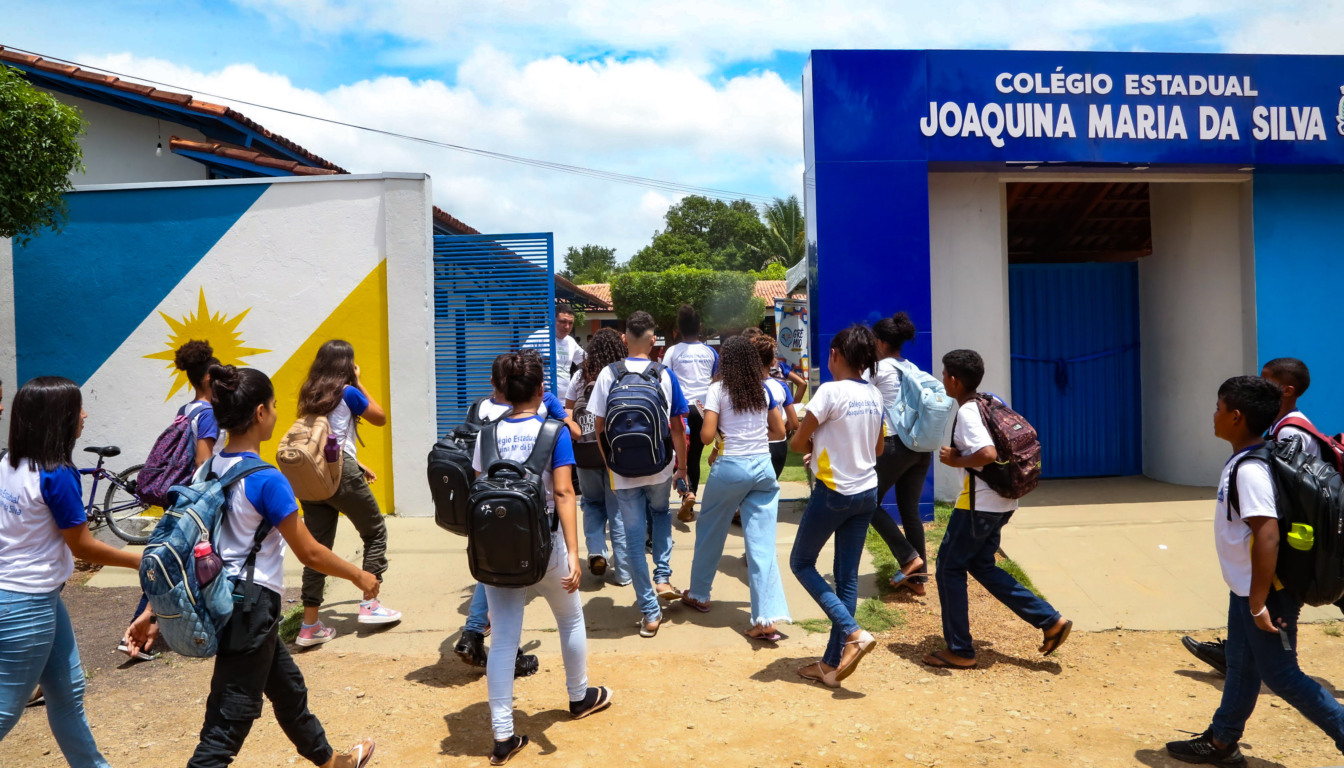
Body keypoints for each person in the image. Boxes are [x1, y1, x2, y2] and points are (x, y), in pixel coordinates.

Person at [145, 364, 379, 768]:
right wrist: (359, 575)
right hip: (249, 605)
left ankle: (330, 761)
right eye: (272, 405)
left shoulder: (209, 468)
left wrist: (151, 609)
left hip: (220, 596)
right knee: (226, 723)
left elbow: (183, 543)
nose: (274, 413)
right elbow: (310, 552)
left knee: (286, 686)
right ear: (259, 413)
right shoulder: (268, 480)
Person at [1165, 376, 1344, 765]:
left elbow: (1267, 535)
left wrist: (1260, 600)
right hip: (1247, 589)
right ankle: (1222, 741)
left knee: (1281, 675)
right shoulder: (1248, 458)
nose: (1213, 414)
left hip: (1267, 592)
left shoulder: (1250, 470)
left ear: (1236, 416)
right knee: (1243, 664)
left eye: (1218, 407)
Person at [471, 351, 612, 765]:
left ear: (503, 391)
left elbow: (481, 491)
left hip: (499, 553)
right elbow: (565, 493)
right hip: (544, 546)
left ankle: (502, 736)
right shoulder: (554, 431)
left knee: (503, 641)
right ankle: (579, 695)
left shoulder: (487, 434)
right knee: (569, 617)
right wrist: (573, 551)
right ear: (539, 390)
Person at [0, 377, 143, 767]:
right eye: (77, 408)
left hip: (30, 597)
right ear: (57, 418)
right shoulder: (57, 474)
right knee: (5, 711)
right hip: (25, 606)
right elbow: (81, 546)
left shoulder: (10, 463)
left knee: (68, 690)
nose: (84, 414)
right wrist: (139, 560)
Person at [923, 349, 1071, 670]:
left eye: (945, 374)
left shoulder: (966, 412)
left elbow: (988, 454)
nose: (943, 379)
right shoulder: (993, 400)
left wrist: (956, 460)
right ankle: (1050, 620)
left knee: (949, 567)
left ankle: (960, 650)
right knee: (981, 566)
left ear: (954, 380)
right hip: (1005, 500)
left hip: (979, 504)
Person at [1181, 357, 1329, 676]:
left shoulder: (1287, 434)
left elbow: (1271, 520)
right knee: (1247, 659)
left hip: (1293, 547)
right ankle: (1226, 718)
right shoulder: (1273, 432)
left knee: (1283, 675)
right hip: (1268, 564)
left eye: (1268, 380)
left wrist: (1259, 597)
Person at [455, 350, 568, 673]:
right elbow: (562, 488)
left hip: (488, 513)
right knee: (554, 610)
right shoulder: (537, 413)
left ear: (495, 381)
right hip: (531, 518)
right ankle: (487, 639)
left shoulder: (478, 409)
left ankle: (476, 633)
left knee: (496, 578)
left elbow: (477, 474)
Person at [788, 325, 883, 687]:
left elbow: (797, 443)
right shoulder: (874, 394)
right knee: (846, 578)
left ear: (834, 355)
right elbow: (875, 450)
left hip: (834, 493)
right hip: (867, 492)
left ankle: (853, 632)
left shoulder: (828, 391)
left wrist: (813, 444)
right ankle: (830, 665)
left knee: (801, 562)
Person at [589, 311, 690, 638]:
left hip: (622, 470)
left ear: (624, 339)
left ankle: (649, 612)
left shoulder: (608, 374)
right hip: (659, 465)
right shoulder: (664, 374)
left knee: (632, 536)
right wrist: (682, 467)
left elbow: (599, 428)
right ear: (652, 341)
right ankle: (663, 576)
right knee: (660, 513)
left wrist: (611, 465)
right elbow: (677, 427)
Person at [682, 336, 790, 640]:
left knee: (709, 530)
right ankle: (766, 618)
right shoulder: (762, 389)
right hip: (763, 467)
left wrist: (713, 423)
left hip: (730, 467)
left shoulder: (717, 389)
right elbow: (779, 430)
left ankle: (700, 593)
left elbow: (705, 437)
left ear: (725, 361)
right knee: (762, 544)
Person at [294, 340, 401, 646]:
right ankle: (370, 604)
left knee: (317, 549)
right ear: (346, 365)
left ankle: (310, 625)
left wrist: (358, 461)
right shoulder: (348, 391)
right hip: (340, 474)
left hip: (313, 476)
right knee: (375, 531)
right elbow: (379, 417)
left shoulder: (310, 392)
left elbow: (323, 436)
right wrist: (358, 380)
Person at [121, 339, 222, 661]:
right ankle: (145, 628)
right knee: (177, 563)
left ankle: (153, 623)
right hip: (193, 500)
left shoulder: (186, 410)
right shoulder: (207, 414)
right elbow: (202, 465)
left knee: (174, 560)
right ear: (208, 380)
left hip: (175, 494)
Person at [867, 312, 932, 596]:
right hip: (920, 447)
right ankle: (918, 580)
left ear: (879, 342)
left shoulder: (877, 370)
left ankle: (909, 558)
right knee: (910, 512)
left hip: (895, 445)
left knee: (866, 501)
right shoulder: (911, 367)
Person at [563, 329, 631, 586]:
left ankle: (596, 551)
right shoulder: (620, 373)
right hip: (615, 452)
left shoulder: (581, 375)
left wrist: (574, 426)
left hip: (585, 451)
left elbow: (567, 408)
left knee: (591, 503)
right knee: (619, 510)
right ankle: (624, 572)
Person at [662, 305, 719, 521]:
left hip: (680, 411)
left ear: (678, 329)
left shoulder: (672, 352)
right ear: (700, 327)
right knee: (694, 457)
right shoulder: (710, 352)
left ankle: (687, 493)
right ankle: (690, 497)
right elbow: (717, 380)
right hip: (704, 412)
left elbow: (664, 380)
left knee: (678, 456)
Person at [751, 333, 800, 479]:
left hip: (754, 445)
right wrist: (783, 428)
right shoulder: (781, 387)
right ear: (772, 362)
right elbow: (794, 422)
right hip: (778, 446)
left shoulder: (746, 389)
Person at [527, 303, 587, 395]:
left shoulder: (570, 342)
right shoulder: (538, 337)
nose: (567, 327)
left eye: (570, 323)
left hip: (565, 400)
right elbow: (521, 362)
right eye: (563, 321)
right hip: (541, 398)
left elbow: (586, 361)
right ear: (553, 320)